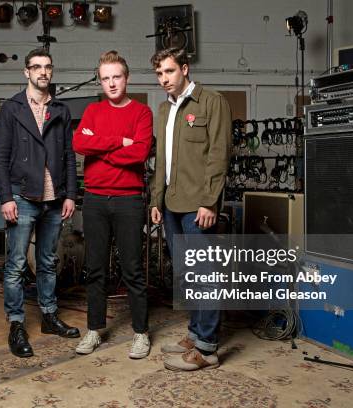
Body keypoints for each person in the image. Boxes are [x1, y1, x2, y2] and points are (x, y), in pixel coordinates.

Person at [0, 48, 80, 358]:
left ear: (51, 71)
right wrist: (5, 197)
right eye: (36, 67)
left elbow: (69, 155)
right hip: (21, 195)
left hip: (54, 198)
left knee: (47, 262)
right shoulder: (11, 109)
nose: (43, 72)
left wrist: (70, 193)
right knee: (16, 265)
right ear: (26, 72)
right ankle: (16, 323)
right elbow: (0, 158)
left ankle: (48, 316)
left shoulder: (61, 109)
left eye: (47, 67)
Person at [149, 47, 232, 371]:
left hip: (199, 206)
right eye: (159, 74)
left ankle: (208, 348)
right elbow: (161, 165)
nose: (164, 79)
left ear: (185, 69)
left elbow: (219, 155)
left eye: (169, 71)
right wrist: (156, 201)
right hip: (171, 204)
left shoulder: (212, 102)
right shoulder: (163, 110)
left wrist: (210, 201)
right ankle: (196, 334)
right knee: (187, 274)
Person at [72, 50, 153, 359]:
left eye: (116, 77)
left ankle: (141, 333)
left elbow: (139, 154)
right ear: (100, 82)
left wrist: (100, 144)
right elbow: (80, 144)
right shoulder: (92, 111)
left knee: (132, 269)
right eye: (105, 79)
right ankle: (94, 330)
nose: (111, 83)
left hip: (128, 200)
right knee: (95, 269)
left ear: (126, 78)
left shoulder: (142, 113)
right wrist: (120, 141)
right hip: (94, 199)